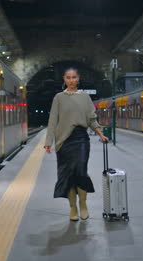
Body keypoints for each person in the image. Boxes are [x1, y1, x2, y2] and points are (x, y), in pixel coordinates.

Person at [44, 67, 109, 221]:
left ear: (78, 79)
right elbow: (53, 120)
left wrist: (101, 134)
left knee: (80, 171)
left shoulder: (85, 97)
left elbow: (92, 119)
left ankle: (83, 204)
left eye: (74, 77)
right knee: (68, 176)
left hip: (81, 139)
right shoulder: (58, 98)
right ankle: (73, 208)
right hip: (63, 141)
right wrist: (48, 142)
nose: (71, 80)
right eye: (68, 77)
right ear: (64, 79)